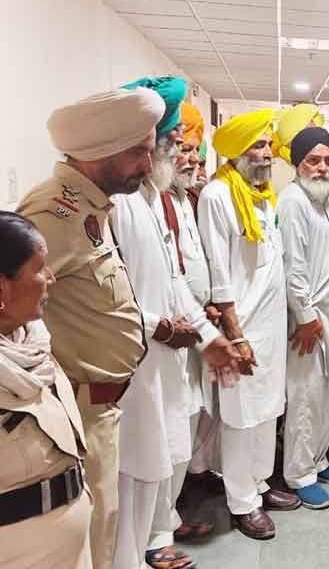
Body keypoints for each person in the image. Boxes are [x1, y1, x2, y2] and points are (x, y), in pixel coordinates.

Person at [17, 87, 164, 569]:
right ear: (102, 152)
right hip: (75, 412)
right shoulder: (53, 214)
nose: (148, 164)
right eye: (139, 152)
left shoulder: (92, 206)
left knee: (103, 526)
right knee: (88, 539)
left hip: (99, 408)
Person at [109, 77, 245, 569]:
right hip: (135, 357)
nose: (175, 151)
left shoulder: (154, 198)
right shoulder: (121, 202)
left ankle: (156, 534)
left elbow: (172, 278)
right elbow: (109, 295)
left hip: (170, 350)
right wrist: (163, 329)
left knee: (168, 448)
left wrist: (208, 337)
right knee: (136, 462)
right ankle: (137, 550)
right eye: (170, 142)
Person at [198, 109, 301, 541]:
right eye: (257, 146)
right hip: (243, 326)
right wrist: (235, 333)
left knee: (268, 409)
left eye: (268, 145)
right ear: (238, 151)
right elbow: (219, 273)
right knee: (241, 416)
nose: (266, 153)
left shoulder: (263, 194)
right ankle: (242, 502)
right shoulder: (217, 195)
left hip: (272, 325)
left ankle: (259, 484)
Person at [0, 212, 90, 569]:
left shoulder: (33, 343)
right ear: (2, 289)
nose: (51, 277)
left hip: (70, 544)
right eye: (39, 268)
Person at [277, 126, 329, 510]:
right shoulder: (293, 201)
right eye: (313, 160)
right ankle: (299, 474)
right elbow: (292, 267)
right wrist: (306, 317)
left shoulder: (326, 201)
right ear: (298, 164)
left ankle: (319, 461)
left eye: (327, 160)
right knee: (306, 399)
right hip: (310, 323)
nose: (322, 167)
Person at [166, 102, 220, 541]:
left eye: (196, 151)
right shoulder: (151, 199)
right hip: (170, 331)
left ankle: (193, 478)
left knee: (199, 409)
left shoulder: (189, 197)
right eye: (183, 149)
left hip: (199, 320)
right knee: (174, 420)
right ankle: (162, 523)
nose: (192, 159)